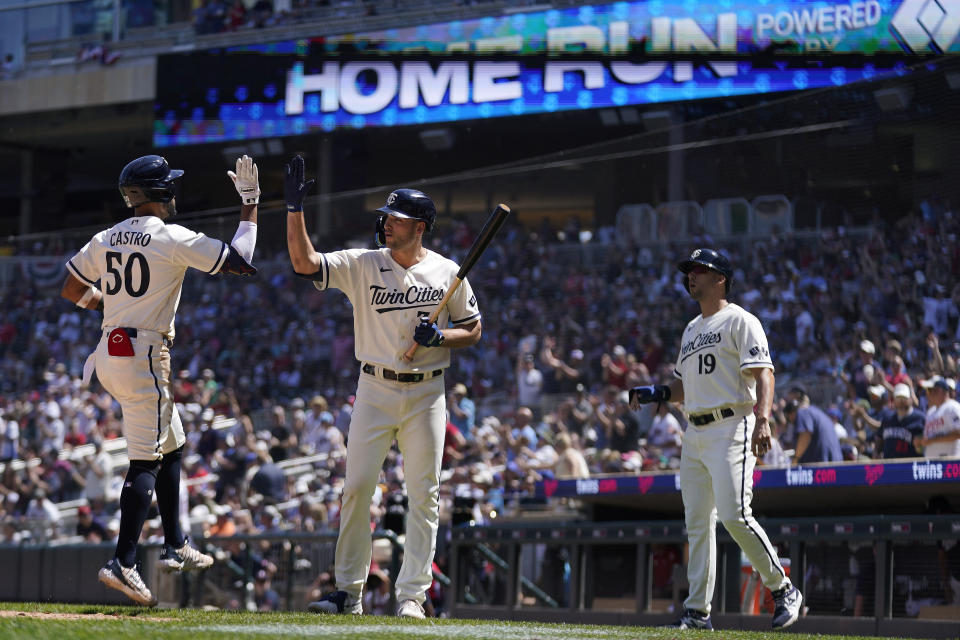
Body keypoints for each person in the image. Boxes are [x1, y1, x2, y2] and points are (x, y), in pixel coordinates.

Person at [285, 155, 481, 619]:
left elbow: (472, 329)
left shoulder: (448, 271)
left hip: (428, 392)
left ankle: (412, 595)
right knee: (356, 488)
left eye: (397, 219)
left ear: (421, 227)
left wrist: (442, 336)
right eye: (386, 218)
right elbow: (303, 262)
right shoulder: (362, 263)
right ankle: (347, 592)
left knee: (424, 493)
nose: (387, 225)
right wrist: (294, 210)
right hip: (374, 387)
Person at [59, 153, 260, 605]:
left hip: (111, 350)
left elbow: (71, 288)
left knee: (172, 446)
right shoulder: (170, 236)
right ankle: (123, 562)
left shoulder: (107, 236)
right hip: (144, 352)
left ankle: (176, 544)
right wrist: (249, 204)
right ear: (163, 192)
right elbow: (241, 261)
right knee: (145, 460)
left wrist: (107, 308)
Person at [629, 248, 802, 630]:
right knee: (697, 524)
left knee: (734, 514)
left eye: (698, 270)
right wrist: (658, 393)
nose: (691, 276)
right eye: (689, 271)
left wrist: (763, 420)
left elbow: (764, 374)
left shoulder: (740, 320)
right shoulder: (691, 329)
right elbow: (685, 387)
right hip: (695, 431)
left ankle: (784, 588)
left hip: (732, 423)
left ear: (720, 278)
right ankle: (697, 611)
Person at [781, 391, 843, 464]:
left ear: (791, 414)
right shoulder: (815, 411)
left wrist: (796, 459)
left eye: (789, 418)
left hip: (824, 464)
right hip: (835, 461)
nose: (790, 421)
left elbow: (805, 435)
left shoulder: (803, 412)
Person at [875, 383, 925, 458]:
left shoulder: (920, 418)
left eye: (904, 398)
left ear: (911, 399)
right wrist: (877, 452)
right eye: (898, 398)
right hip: (889, 465)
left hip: (910, 465)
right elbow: (880, 439)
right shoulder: (887, 418)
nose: (901, 402)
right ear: (894, 400)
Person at [920, 377, 960, 458]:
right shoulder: (930, 411)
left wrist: (931, 441)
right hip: (932, 464)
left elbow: (958, 433)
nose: (927, 394)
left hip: (949, 464)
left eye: (929, 390)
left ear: (939, 391)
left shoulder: (952, 407)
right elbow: (927, 439)